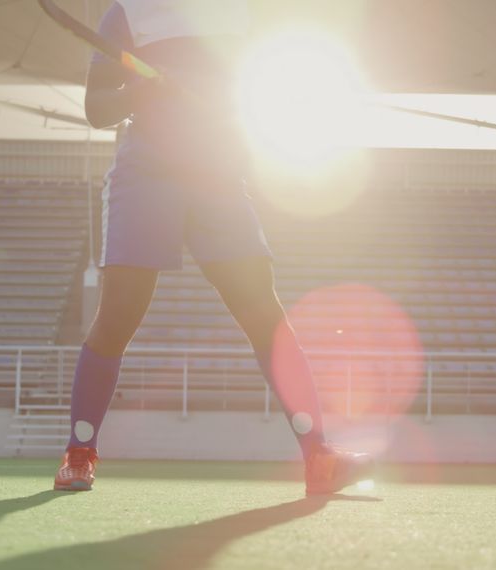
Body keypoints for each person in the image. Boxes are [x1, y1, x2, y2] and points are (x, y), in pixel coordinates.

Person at [53, 0, 370, 495]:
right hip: (147, 174)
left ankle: (318, 457)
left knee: (265, 317)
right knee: (119, 315)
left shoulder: (243, 12)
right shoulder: (127, 13)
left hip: (217, 174)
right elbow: (97, 109)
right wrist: (143, 88)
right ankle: (79, 452)